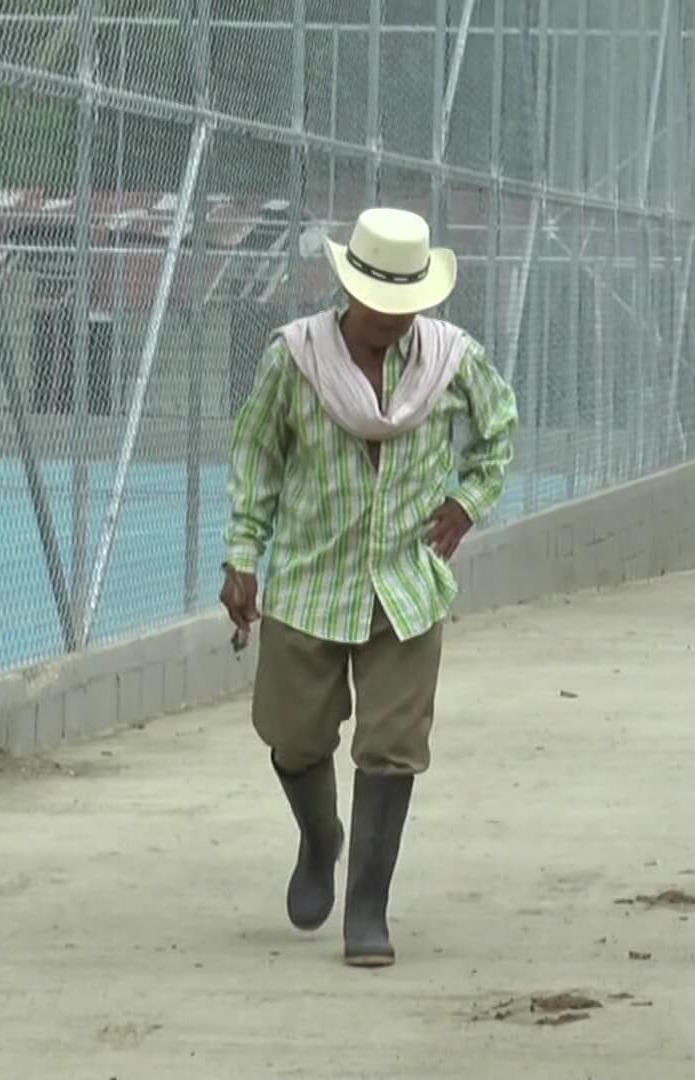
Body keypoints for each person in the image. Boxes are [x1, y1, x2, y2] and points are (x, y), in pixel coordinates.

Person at [221, 207, 518, 968]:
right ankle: (321, 838)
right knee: (295, 736)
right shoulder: (294, 359)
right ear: (351, 291)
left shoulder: (449, 362)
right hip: (308, 585)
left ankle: (367, 911)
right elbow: (256, 457)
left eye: (407, 305)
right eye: (381, 305)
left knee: (391, 749)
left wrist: (466, 503)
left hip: (405, 588)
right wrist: (241, 556)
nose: (393, 320)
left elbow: (500, 428)